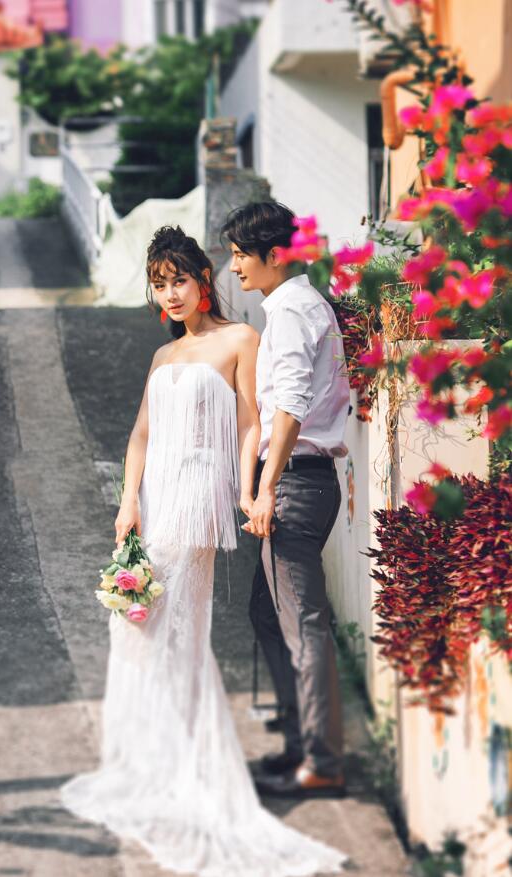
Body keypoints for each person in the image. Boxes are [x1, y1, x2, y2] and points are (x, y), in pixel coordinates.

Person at [61, 226, 346, 877]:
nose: (170, 294)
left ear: (202, 280)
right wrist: (127, 501)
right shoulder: (163, 355)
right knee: (135, 626)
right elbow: (140, 434)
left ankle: (185, 766)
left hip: (196, 498)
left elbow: (251, 422)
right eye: (159, 284)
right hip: (154, 497)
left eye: (178, 280)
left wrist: (246, 490)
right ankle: (154, 758)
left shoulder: (241, 339)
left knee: (172, 626)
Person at [224, 202, 352, 799]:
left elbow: (292, 407)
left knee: (303, 626)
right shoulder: (293, 306)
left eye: (239, 255)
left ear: (274, 255)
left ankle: (321, 761)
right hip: (300, 480)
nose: (233, 267)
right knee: (267, 613)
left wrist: (267, 487)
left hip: (297, 481)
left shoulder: (294, 310)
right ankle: (301, 744)